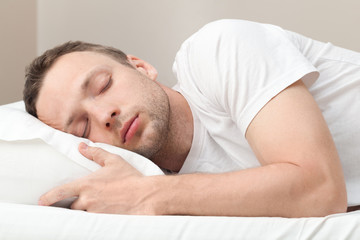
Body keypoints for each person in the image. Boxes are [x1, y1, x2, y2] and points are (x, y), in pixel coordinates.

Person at [23, 19, 360, 217]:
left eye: (104, 84)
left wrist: (147, 193)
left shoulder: (216, 49)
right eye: (83, 127)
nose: (104, 115)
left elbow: (321, 190)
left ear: (141, 67)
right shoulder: (177, 190)